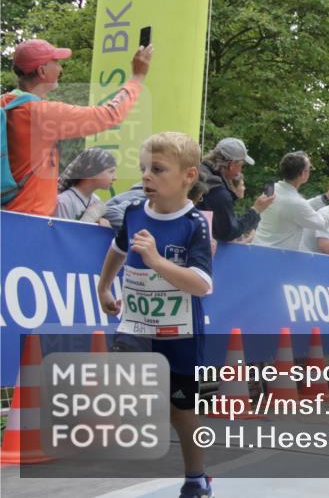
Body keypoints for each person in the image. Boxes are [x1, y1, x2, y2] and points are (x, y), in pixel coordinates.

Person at [96, 132, 213, 498]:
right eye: (144, 168)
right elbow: (117, 249)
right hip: (136, 326)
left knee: (182, 411)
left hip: (180, 334)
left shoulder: (195, 225)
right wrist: (104, 286)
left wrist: (156, 261)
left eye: (158, 169)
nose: (147, 176)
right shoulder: (132, 214)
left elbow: (201, 285)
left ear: (187, 176)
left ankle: (196, 478)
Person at [2, 39, 151, 216]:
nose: (60, 68)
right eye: (56, 62)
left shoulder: (6, 104)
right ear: (42, 71)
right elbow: (110, 115)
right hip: (31, 220)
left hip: (7, 215)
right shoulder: (40, 113)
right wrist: (137, 77)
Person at [252, 151, 329, 251]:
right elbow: (323, 223)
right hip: (277, 259)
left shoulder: (272, 189)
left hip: (258, 250)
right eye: (309, 169)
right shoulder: (295, 202)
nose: (310, 172)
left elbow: (299, 208)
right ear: (302, 174)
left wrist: (327, 197)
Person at [198, 138, 273, 242]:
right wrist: (256, 209)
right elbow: (229, 233)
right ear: (232, 165)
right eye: (241, 166)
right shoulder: (218, 192)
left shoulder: (199, 173)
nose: (240, 171)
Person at [54, 148, 117, 225]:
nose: (115, 178)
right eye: (111, 171)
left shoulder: (96, 200)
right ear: (91, 171)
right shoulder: (64, 201)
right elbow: (62, 234)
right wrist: (90, 217)